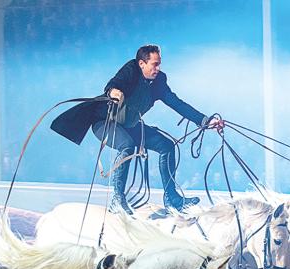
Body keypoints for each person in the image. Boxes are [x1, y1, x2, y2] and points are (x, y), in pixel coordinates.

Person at [54, 44, 222, 214]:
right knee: (126, 144)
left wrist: (205, 121)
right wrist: (113, 91)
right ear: (142, 64)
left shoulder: (159, 81)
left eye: (159, 64)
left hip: (130, 125)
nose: (158, 68)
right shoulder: (131, 69)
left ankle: (172, 199)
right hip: (104, 123)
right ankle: (117, 200)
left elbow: (176, 103)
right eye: (154, 64)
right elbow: (114, 83)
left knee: (167, 146)